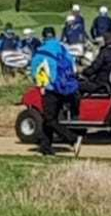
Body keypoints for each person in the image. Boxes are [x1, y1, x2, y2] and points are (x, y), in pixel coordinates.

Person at [30, 26, 79, 156]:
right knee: (50, 118)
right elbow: (73, 67)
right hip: (65, 87)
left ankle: (72, 138)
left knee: (49, 119)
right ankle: (45, 147)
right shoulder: (62, 48)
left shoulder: (40, 52)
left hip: (50, 88)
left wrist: (40, 85)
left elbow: (35, 71)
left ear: (43, 37)